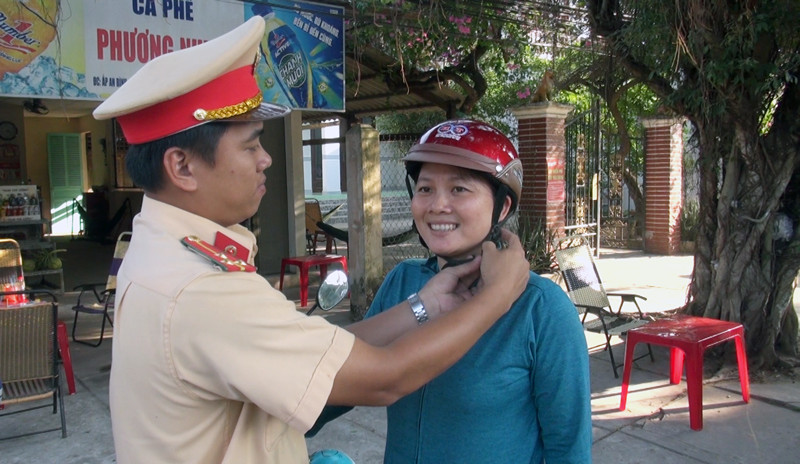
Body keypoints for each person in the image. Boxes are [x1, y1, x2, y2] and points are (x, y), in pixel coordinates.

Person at [92, 18, 531, 464]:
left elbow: (322, 353)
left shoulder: (158, 251)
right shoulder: (202, 288)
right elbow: (382, 379)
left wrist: (428, 306)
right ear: (182, 167)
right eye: (249, 146)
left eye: (460, 189)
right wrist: (497, 294)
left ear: (503, 206)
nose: (265, 159)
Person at [363, 120, 592, 463]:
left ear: (502, 207)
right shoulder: (403, 283)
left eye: (459, 189)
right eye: (425, 188)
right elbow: (334, 376)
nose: (437, 205)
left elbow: (569, 449)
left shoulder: (541, 309)